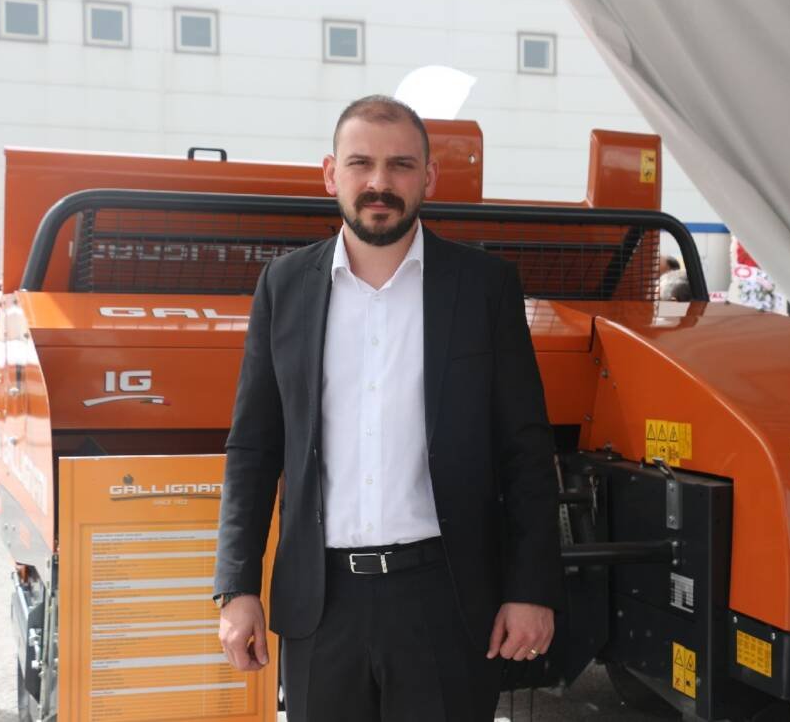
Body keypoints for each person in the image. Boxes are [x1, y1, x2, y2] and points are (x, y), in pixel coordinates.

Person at [214, 95, 564, 721]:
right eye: (361, 163)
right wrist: (237, 588)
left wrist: (532, 588)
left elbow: (526, 450)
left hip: (447, 601)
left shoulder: (483, 287)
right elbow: (253, 449)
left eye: (401, 164)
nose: (379, 182)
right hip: (321, 607)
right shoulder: (284, 286)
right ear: (331, 174)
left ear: (429, 176)